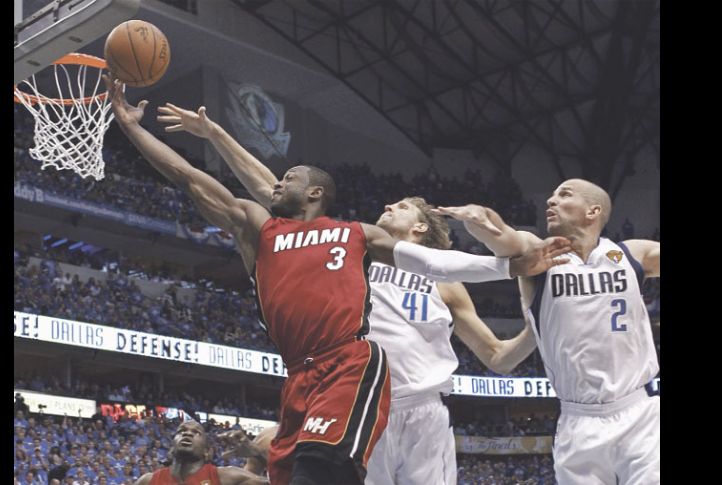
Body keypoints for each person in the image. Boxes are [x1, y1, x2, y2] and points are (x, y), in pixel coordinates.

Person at [105, 75, 570, 485]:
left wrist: (510, 269)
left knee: (317, 469)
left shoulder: (365, 242)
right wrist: (148, 128)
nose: (387, 208)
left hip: (375, 382)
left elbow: (438, 269)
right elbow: (212, 180)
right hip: (310, 377)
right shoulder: (298, 236)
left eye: (400, 206)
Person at [434, 178, 660, 484]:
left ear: (592, 211)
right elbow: (502, 237)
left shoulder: (632, 253)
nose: (550, 201)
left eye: (564, 195)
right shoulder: (537, 254)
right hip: (578, 420)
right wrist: (481, 217)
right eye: (551, 195)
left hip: (642, 411)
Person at [134, 420, 268, 485]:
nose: (187, 433)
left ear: (207, 452)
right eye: (181, 431)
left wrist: (259, 453)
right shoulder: (147, 481)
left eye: (196, 433)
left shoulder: (227, 476)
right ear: (171, 448)